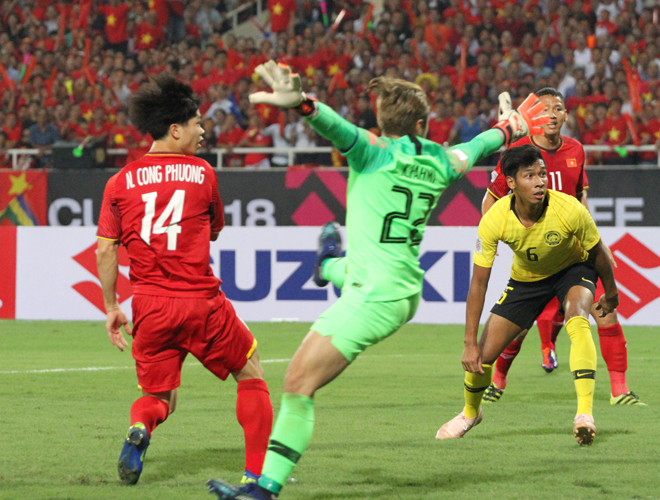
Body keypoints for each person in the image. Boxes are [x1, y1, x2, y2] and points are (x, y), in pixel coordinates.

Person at [207, 60, 549, 499]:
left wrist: (303, 104)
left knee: (297, 384)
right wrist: (510, 127)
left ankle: (263, 491)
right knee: (341, 289)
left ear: (382, 123)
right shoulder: (442, 160)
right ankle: (328, 265)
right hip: (397, 286)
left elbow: (336, 127)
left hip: (375, 297)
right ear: (422, 124)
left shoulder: (372, 151)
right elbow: (478, 145)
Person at [96, 75, 273, 486]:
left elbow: (105, 251)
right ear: (175, 130)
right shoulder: (203, 173)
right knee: (251, 373)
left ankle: (139, 428)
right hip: (200, 302)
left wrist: (111, 306)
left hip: (150, 307)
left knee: (160, 398)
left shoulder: (118, 182)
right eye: (197, 124)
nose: (203, 131)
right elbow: (215, 230)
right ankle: (255, 477)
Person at [436, 144, 619, 446]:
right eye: (529, 175)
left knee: (577, 319)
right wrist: (469, 343)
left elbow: (598, 252)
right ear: (511, 182)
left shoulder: (569, 208)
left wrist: (611, 293)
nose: (540, 182)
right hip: (527, 281)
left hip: (573, 268)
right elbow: (479, 284)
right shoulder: (495, 219)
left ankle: (584, 414)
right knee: (482, 356)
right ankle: (470, 414)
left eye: (542, 174)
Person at [481, 87, 645, 407]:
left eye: (557, 109)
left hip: (575, 255)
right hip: (536, 256)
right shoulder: (520, 154)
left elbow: (581, 198)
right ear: (533, 117)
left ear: (566, 115)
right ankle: (498, 380)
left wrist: (596, 239)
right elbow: (492, 199)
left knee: (604, 313)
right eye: (544, 109)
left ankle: (619, 390)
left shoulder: (576, 150)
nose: (551, 115)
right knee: (519, 328)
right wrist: (497, 235)